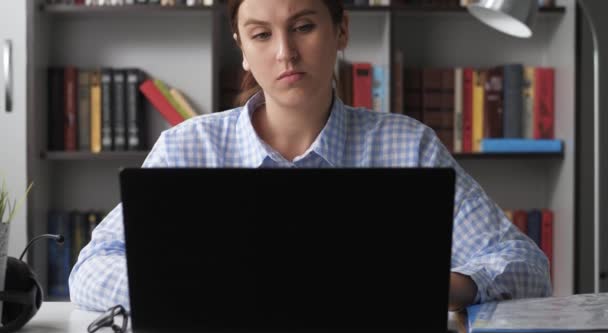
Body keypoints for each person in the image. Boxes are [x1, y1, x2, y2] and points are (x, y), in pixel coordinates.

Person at [69, 0, 552, 313]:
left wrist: (440, 288)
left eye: (303, 27)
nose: (285, 53)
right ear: (241, 48)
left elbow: (526, 267)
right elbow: (90, 270)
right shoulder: (186, 149)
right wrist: (188, 289)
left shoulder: (409, 147)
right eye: (261, 35)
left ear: (341, 31)